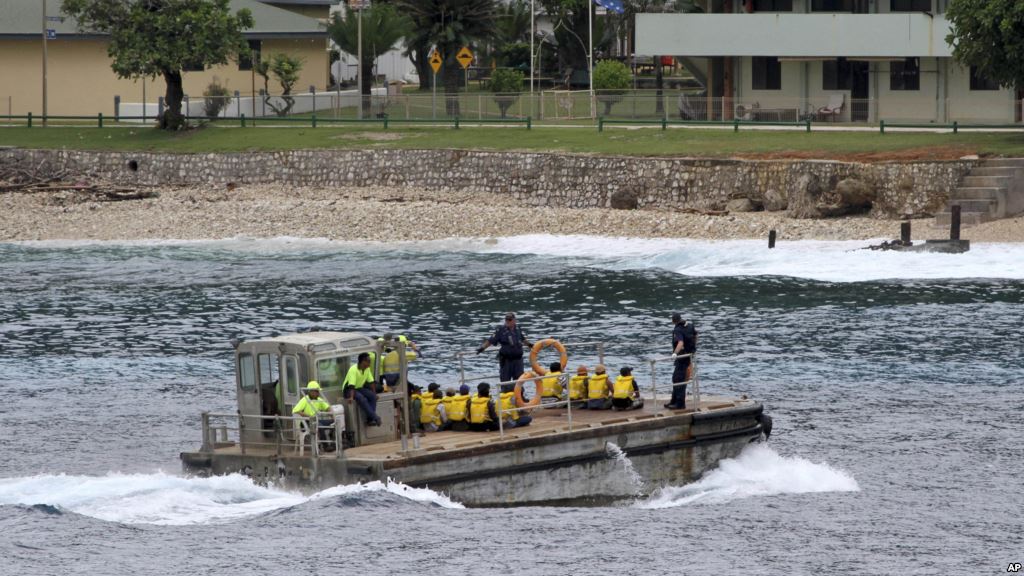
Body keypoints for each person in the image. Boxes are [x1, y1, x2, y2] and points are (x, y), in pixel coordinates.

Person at [476, 312, 533, 384]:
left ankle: (519, 394)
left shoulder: (518, 328)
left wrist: (529, 345)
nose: (507, 321)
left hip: (518, 360)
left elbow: (522, 338)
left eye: (509, 320)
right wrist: (482, 348)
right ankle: (505, 393)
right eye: (506, 320)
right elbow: (490, 340)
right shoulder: (500, 330)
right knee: (505, 382)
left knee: (519, 381)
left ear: (514, 320)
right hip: (506, 361)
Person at [666, 313, 698, 410]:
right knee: (676, 378)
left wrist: (675, 353)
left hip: (682, 356)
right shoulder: (690, 325)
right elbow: (696, 335)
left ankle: (680, 404)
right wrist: (692, 348)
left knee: (679, 379)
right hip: (689, 354)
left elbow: (680, 342)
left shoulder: (677, 329)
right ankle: (674, 401)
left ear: (673, 321)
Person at [292, 381, 334, 450]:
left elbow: (327, 408)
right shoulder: (305, 400)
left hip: (315, 420)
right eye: (317, 391)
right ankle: (326, 446)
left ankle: (332, 442)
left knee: (333, 422)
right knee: (320, 426)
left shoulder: (319, 400)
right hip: (306, 422)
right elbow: (295, 411)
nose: (318, 393)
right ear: (311, 392)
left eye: (318, 391)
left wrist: (332, 414)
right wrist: (308, 416)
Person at [343, 352, 382, 426]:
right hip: (348, 390)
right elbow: (351, 385)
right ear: (363, 362)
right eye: (368, 361)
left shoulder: (367, 369)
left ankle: (370, 420)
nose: (370, 363)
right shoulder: (353, 369)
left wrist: (374, 394)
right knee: (362, 398)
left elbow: (371, 382)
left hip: (358, 388)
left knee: (372, 397)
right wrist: (351, 397)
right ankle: (375, 418)